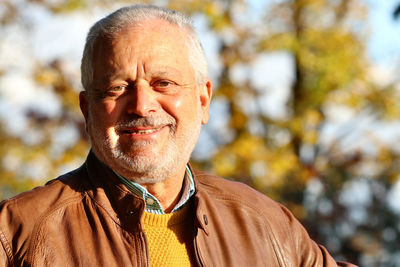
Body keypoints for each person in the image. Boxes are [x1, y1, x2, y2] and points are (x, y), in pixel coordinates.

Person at [0, 4, 357, 267]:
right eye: (117, 88)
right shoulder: (17, 234)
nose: (141, 105)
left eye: (164, 84)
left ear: (203, 101)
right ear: (87, 109)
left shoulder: (266, 225)